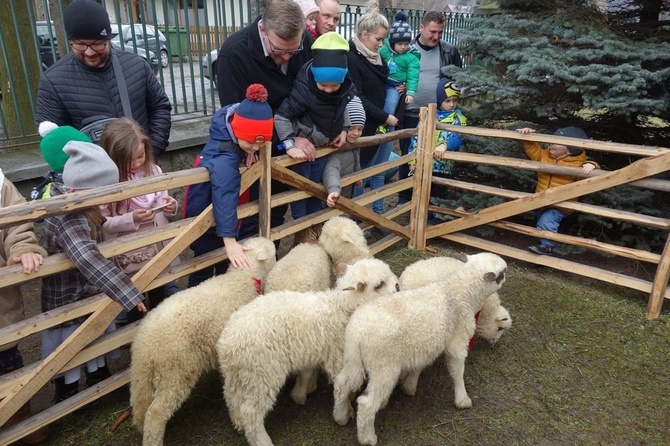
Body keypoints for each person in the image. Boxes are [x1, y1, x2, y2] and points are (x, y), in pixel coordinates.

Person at [39, 129, 146, 403]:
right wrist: (129, 294)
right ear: (84, 188)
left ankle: (99, 383)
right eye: (104, 193)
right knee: (70, 345)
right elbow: (87, 257)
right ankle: (67, 396)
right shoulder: (70, 215)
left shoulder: (82, 204)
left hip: (86, 291)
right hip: (68, 295)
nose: (108, 199)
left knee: (94, 336)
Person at [216, 0, 314, 243]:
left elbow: (314, 90)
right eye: (279, 50)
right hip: (255, 148)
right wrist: (288, 139)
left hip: (293, 143)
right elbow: (236, 113)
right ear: (263, 29)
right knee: (255, 215)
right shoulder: (234, 53)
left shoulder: (306, 44)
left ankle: (270, 267)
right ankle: (252, 276)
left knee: (277, 211)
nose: (287, 57)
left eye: (294, 50)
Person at [35, 0, 172, 160]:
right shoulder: (53, 80)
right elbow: (52, 138)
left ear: (108, 39)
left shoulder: (137, 66)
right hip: (94, 179)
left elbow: (160, 108)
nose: (89, 52)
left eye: (97, 44)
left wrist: (150, 154)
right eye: (80, 44)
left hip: (143, 169)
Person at [184, 84, 275, 287]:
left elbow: (249, 139)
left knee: (221, 266)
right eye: (251, 142)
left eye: (260, 144)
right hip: (204, 218)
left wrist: (249, 150)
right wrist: (230, 240)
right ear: (237, 130)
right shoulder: (224, 157)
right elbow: (225, 195)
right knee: (203, 268)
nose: (256, 147)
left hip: (218, 217)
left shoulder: (229, 125)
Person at [274, 32, 355, 242]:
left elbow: (342, 106)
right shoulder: (304, 90)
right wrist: (290, 144)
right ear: (315, 78)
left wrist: (344, 129)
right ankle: (302, 234)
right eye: (323, 86)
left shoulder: (343, 89)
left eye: (334, 86)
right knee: (301, 190)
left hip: (322, 149)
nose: (328, 91)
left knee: (317, 190)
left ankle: (314, 229)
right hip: (302, 152)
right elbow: (281, 116)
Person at [99, 118, 180, 322]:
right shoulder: (106, 182)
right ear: (114, 157)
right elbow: (101, 223)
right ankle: (136, 335)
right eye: (130, 160)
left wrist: (171, 207)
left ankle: (160, 331)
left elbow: (163, 199)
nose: (137, 164)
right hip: (130, 256)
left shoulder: (153, 170)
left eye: (141, 156)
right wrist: (130, 218)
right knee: (134, 299)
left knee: (160, 290)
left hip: (158, 247)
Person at [0, 169, 49, 445]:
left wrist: (23, 248)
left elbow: (16, 223)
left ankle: (19, 414)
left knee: (7, 363)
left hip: (1, 308)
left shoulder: (0, 186)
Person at [398, 10, 463, 201]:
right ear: (422, 28)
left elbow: (457, 81)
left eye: (440, 32)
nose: (436, 36)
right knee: (408, 155)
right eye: (432, 32)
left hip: (438, 117)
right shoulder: (406, 49)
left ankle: (431, 199)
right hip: (410, 114)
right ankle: (406, 197)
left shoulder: (449, 51)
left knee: (435, 157)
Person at [346, 1, 396, 217]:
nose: (382, 44)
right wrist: (385, 116)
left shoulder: (378, 59)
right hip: (361, 127)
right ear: (364, 34)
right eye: (378, 39)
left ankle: (370, 217)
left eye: (384, 39)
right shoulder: (350, 58)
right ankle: (354, 218)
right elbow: (357, 96)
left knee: (375, 171)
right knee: (359, 175)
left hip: (379, 126)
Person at [516, 126, 598, 255]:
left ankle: (547, 248)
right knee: (541, 221)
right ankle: (543, 244)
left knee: (546, 221)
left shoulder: (579, 165)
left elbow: (590, 171)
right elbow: (533, 150)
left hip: (561, 204)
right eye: (552, 139)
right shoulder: (544, 155)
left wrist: (592, 165)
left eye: (557, 142)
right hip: (542, 199)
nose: (551, 143)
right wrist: (527, 137)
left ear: (570, 151)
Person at [408, 79, 467, 198]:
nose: (451, 104)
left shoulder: (459, 118)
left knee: (439, 195)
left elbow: (459, 137)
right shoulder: (428, 115)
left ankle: (437, 216)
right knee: (423, 195)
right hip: (423, 164)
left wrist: (445, 145)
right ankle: (424, 216)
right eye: (447, 101)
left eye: (455, 100)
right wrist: (412, 161)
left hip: (443, 168)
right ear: (440, 100)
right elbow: (416, 139)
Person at [378, 11, 420, 133]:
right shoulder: (384, 50)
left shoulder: (412, 57)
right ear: (392, 43)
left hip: (395, 86)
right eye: (400, 43)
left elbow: (413, 75)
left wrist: (410, 93)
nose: (403, 47)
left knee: (390, 104)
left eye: (406, 44)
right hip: (382, 82)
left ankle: (384, 125)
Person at [323, 96, 365, 208]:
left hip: (346, 191)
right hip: (334, 195)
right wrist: (334, 190)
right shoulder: (337, 150)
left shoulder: (354, 144)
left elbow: (357, 159)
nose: (356, 133)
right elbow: (331, 170)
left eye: (360, 129)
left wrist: (358, 175)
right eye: (351, 129)